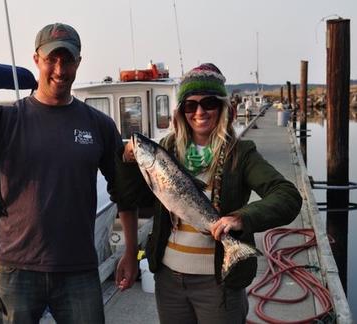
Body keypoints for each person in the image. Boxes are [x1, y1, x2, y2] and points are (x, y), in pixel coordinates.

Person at [0, 22, 127, 324]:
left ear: (78, 62)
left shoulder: (98, 124)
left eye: (68, 60)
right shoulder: (4, 119)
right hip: (15, 268)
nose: (60, 69)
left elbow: (122, 189)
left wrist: (130, 250)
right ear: (37, 60)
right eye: (51, 60)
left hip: (78, 268)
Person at [115, 63, 302, 323]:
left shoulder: (241, 153)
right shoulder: (166, 148)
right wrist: (127, 163)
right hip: (168, 279)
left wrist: (241, 218)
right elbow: (137, 198)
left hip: (218, 283)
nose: (199, 112)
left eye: (209, 103)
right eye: (190, 105)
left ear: (223, 107)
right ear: (181, 111)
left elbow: (288, 196)